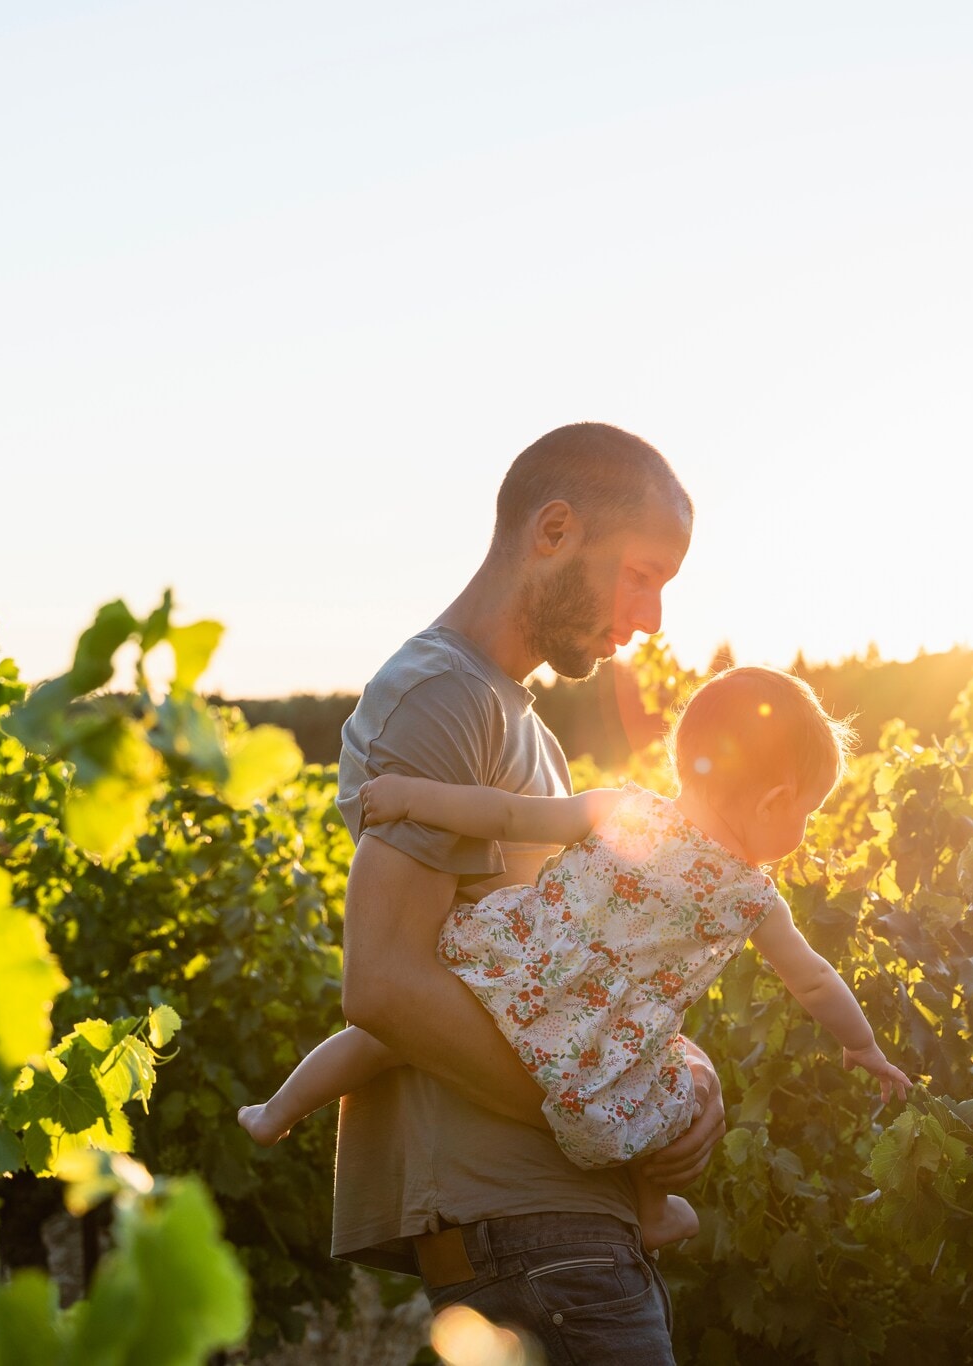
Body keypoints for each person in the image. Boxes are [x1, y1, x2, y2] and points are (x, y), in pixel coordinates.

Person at [240, 666, 912, 1252]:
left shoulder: (624, 810)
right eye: (808, 816)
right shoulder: (750, 898)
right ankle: (652, 1211)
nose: (803, 834)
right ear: (774, 802)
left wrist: (413, 797)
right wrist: (861, 1045)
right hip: (592, 1042)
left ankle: (276, 1112)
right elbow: (815, 982)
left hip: (518, 965)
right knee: (673, 1095)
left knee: (385, 1041)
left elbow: (503, 817)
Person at [303, 422, 710, 1362]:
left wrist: (676, 1077)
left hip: (559, 1246)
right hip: (533, 1248)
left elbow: (551, 980)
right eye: (642, 574)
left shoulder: (517, 723)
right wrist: (610, 1120)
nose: (650, 618)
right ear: (555, 529)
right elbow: (385, 985)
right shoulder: (439, 699)